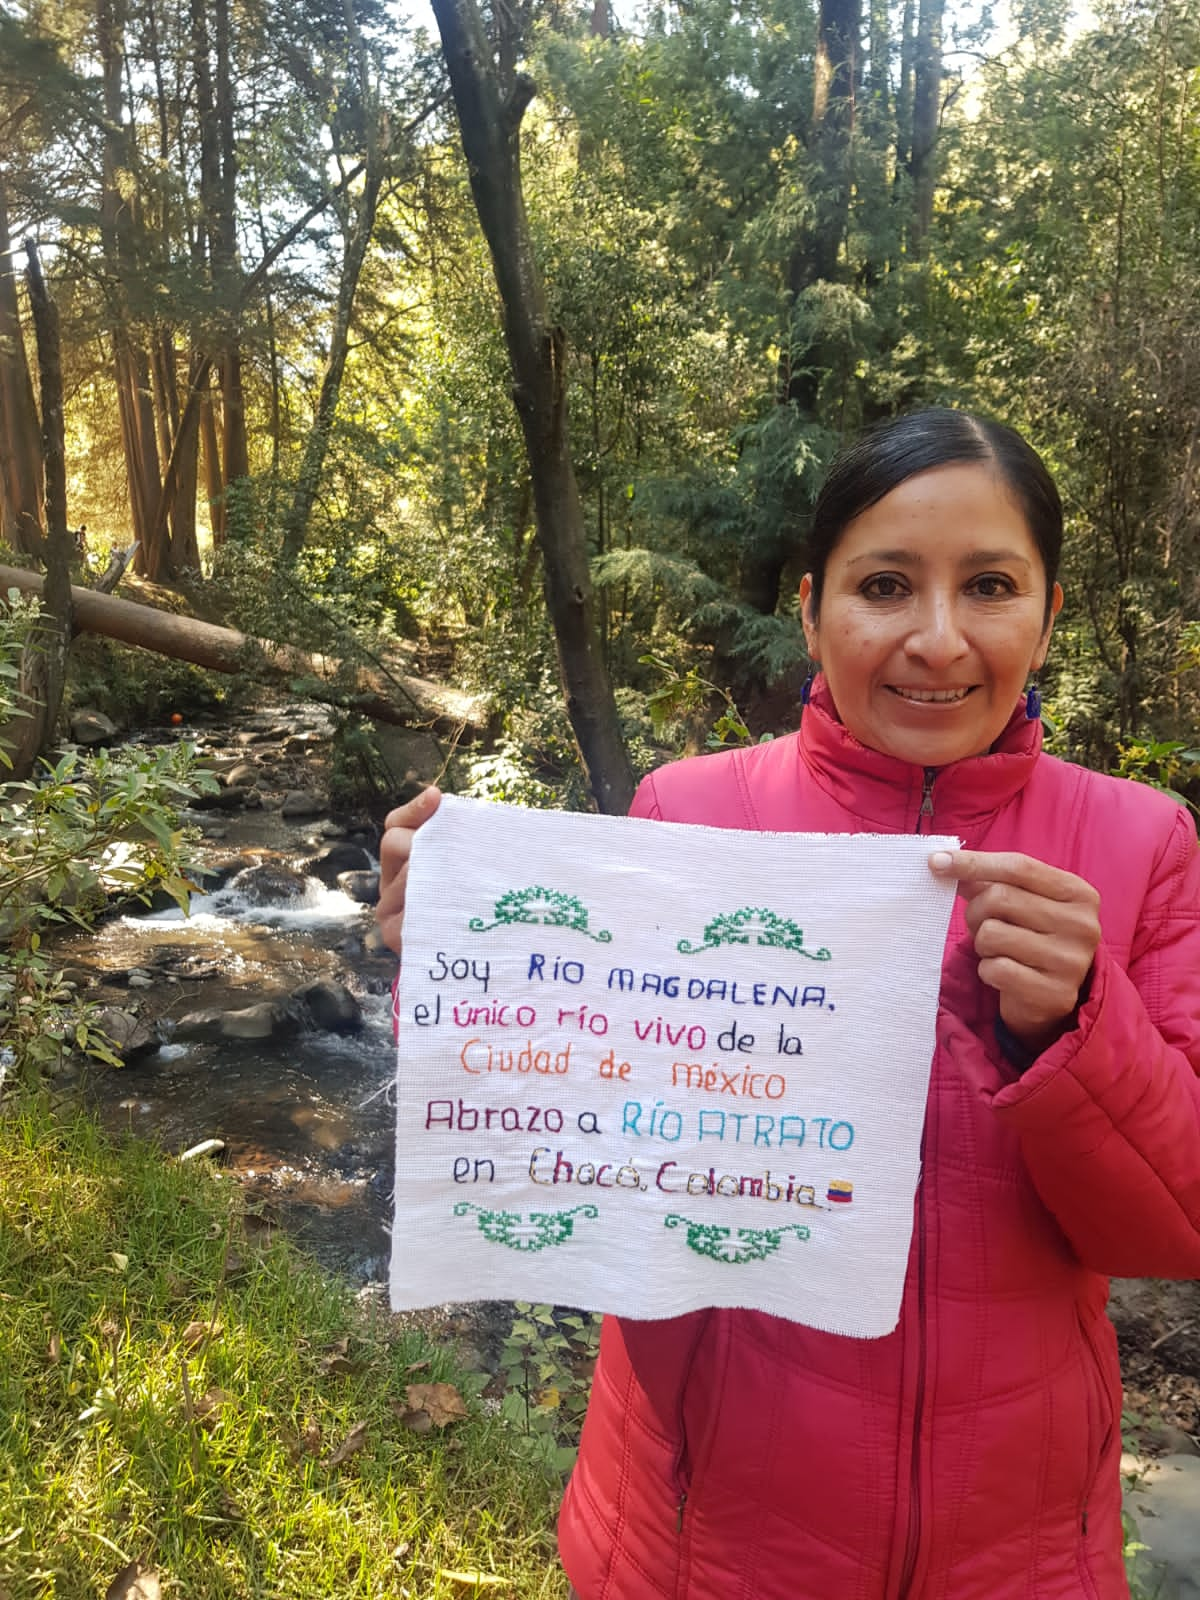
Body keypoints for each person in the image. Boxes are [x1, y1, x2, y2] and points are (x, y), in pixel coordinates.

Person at [378, 409, 1200, 1600]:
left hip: (1015, 1554)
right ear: (814, 611)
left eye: (988, 585)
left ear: (1048, 612)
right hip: (700, 1530)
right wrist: (453, 956)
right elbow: (564, 1112)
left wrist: (1078, 1025)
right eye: (884, 584)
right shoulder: (691, 813)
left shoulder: (1142, 844)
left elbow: (1174, 1229)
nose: (936, 638)